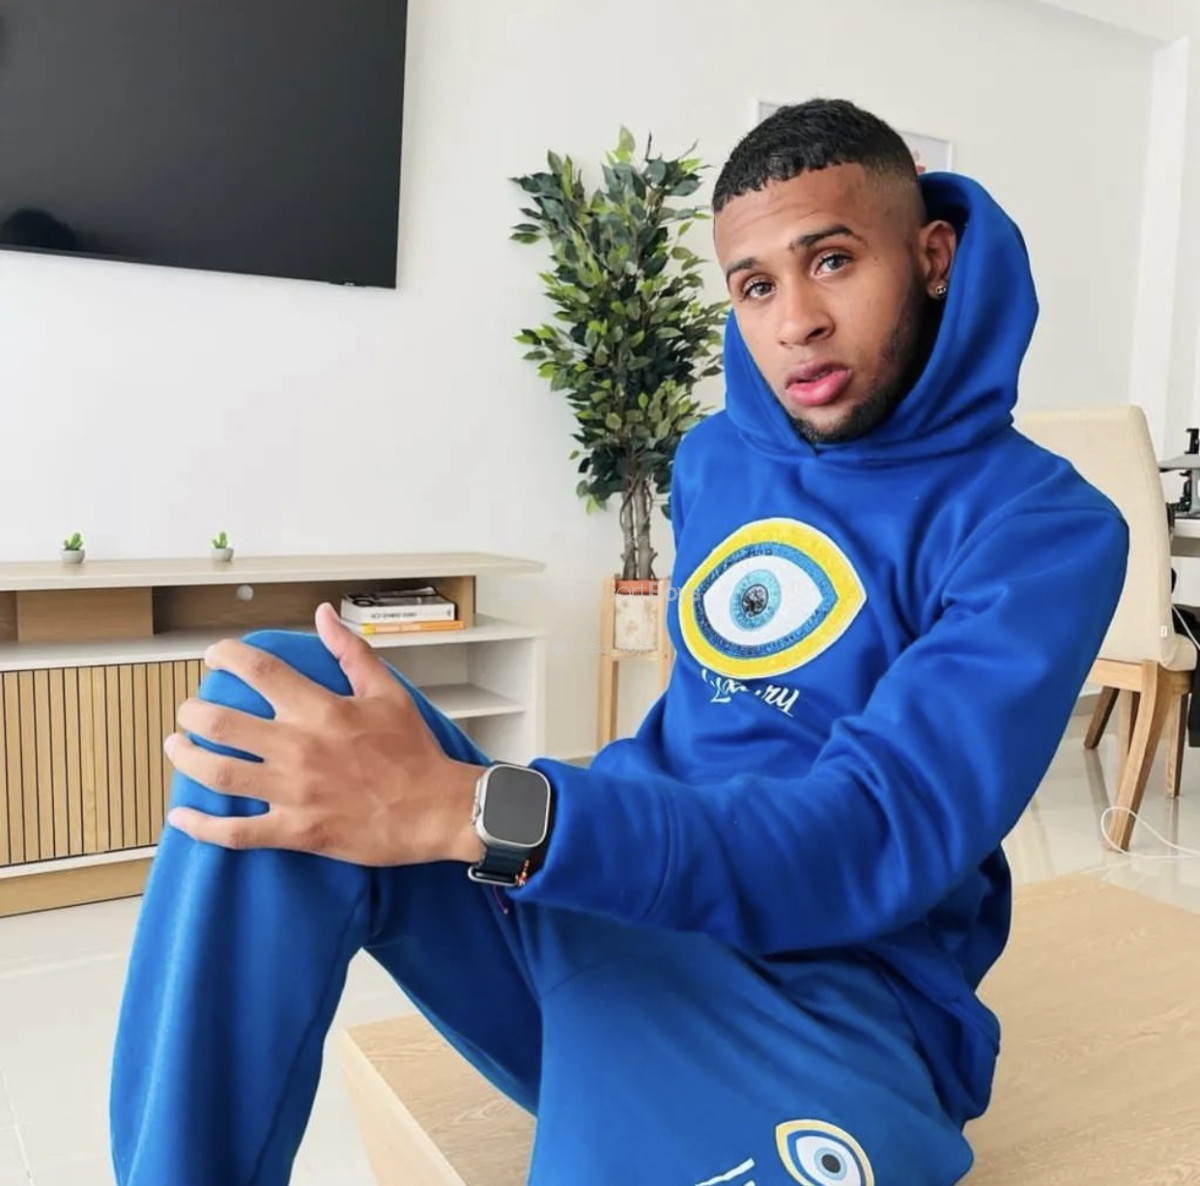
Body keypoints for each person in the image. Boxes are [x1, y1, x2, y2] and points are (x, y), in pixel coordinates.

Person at [110, 99, 1128, 1185]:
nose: (795, 322)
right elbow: (712, 725)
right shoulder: (715, 460)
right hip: (596, 909)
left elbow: (875, 831)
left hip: (823, 993)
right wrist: (511, 826)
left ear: (932, 257)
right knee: (274, 693)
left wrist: (484, 811)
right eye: (755, 286)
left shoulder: (1044, 529)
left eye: (832, 261)